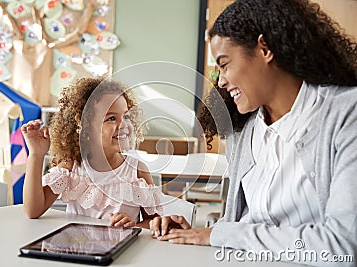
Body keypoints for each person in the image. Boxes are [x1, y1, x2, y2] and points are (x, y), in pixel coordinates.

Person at [150, 0, 357, 265]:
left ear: (265, 48)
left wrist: (223, 234)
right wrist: (196, 231)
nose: (221, 81)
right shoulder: (242, 131)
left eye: (224, 64)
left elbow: (342, 248)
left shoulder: (345, 114)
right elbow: (239, 226)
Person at [22, 78, 162, 228]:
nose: (124, 124)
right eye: (112, 118)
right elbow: (33, 210)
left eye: (126, 116)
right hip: (78, 248)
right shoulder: (72, 168)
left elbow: (155, 222)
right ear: (85, 129)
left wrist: (133, 225)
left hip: (121, 249)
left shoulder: (136, 172)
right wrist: (36, 155)